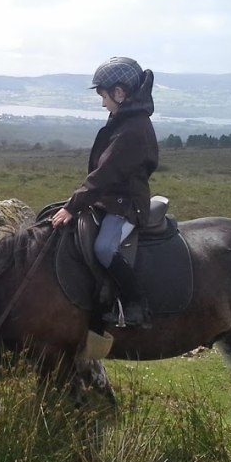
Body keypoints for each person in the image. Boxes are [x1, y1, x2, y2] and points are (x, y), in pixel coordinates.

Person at [51, 56, 159, 327]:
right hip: (111, 200)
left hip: (126, 205)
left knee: (103, 249)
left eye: (104, 96)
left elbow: (106, 174)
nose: (103, 103)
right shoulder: (124, 119)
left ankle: (136, 305)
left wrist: (71, 206)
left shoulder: (133, 129)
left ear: (119, 93)